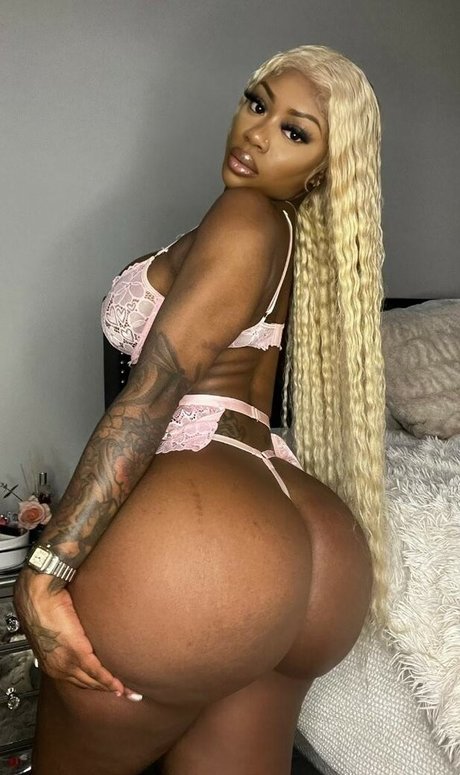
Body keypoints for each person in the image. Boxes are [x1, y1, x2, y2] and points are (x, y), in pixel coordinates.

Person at [14, 44, 389, 775]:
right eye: (257, 103)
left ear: (322, 170)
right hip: (312, 547)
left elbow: (154, 392)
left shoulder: (245, 217)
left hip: (207, 544)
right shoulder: (288, 242)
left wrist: (47, 567)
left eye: (295, 131)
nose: (257, 133)